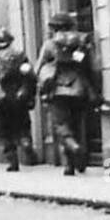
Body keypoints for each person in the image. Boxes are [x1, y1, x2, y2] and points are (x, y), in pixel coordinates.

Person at [36, 12, 98, 176]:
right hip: (79, 89)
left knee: (61, 125)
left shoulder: (49, 45)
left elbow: (38, 68)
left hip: (57, 91)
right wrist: (95, 89)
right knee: (78, 125)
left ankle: (70, 157)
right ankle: (79, 161)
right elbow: (93, 68)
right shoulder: (82, 43)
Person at [0, 28, 37, 172]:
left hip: (3, 97)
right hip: (19, 95)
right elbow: (29, 74)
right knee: (23, 124)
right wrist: (27, 92)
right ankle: (26, 143)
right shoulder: (20, 55)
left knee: (4, 130)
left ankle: (13, 161)